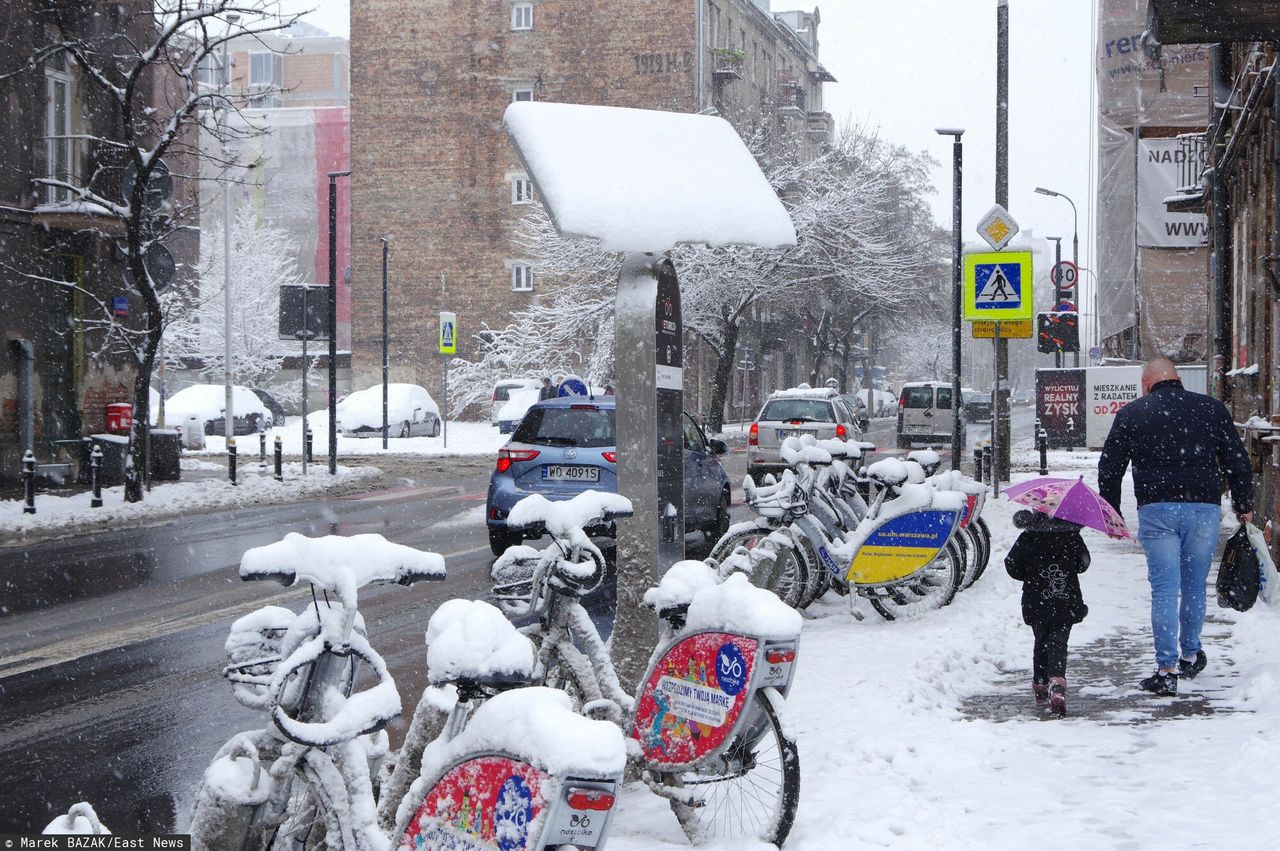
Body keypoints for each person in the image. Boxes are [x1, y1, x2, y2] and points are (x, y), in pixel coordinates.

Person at [1098, 357, 1253, 696]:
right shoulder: (1211, 409)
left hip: (1157, 510)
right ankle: (1192, 654)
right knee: (1195, 586)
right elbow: (1237, 460)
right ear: (1178, 378)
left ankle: (1166, 668)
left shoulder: (1133, 414)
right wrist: (1243, 504)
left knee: (1165, 590)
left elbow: (1110, 466)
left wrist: (1111, 513)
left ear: (1146, 383)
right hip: (1203, 509)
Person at [1005, 510, 1090, 715]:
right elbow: (1083, 563)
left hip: (1036, 599)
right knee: (1059, 639)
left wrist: (1029, 573)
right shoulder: (1071, 535)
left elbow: (1012, 564)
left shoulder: (1028, 535)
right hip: (1065, 598)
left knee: (1041, 639)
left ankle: (1041, 683)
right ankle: (1057, 683)